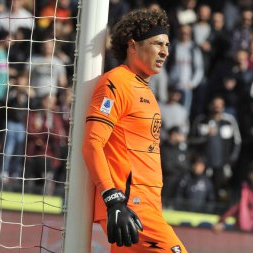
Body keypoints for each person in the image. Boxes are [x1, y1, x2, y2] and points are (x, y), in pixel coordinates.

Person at [82, 8, 187, 252]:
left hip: (148, 205)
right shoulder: (116, 82)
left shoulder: (146, 90)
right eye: (157, 43)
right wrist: (112, 198)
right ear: (133, 45)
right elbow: (92, 144)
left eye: (167, 45)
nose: (165, 52)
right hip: (129, 205)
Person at [212, 161, 253, 234]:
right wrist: (221, 222)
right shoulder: (241, 191)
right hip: (242, 231)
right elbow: (231, 209)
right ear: (250, 175)